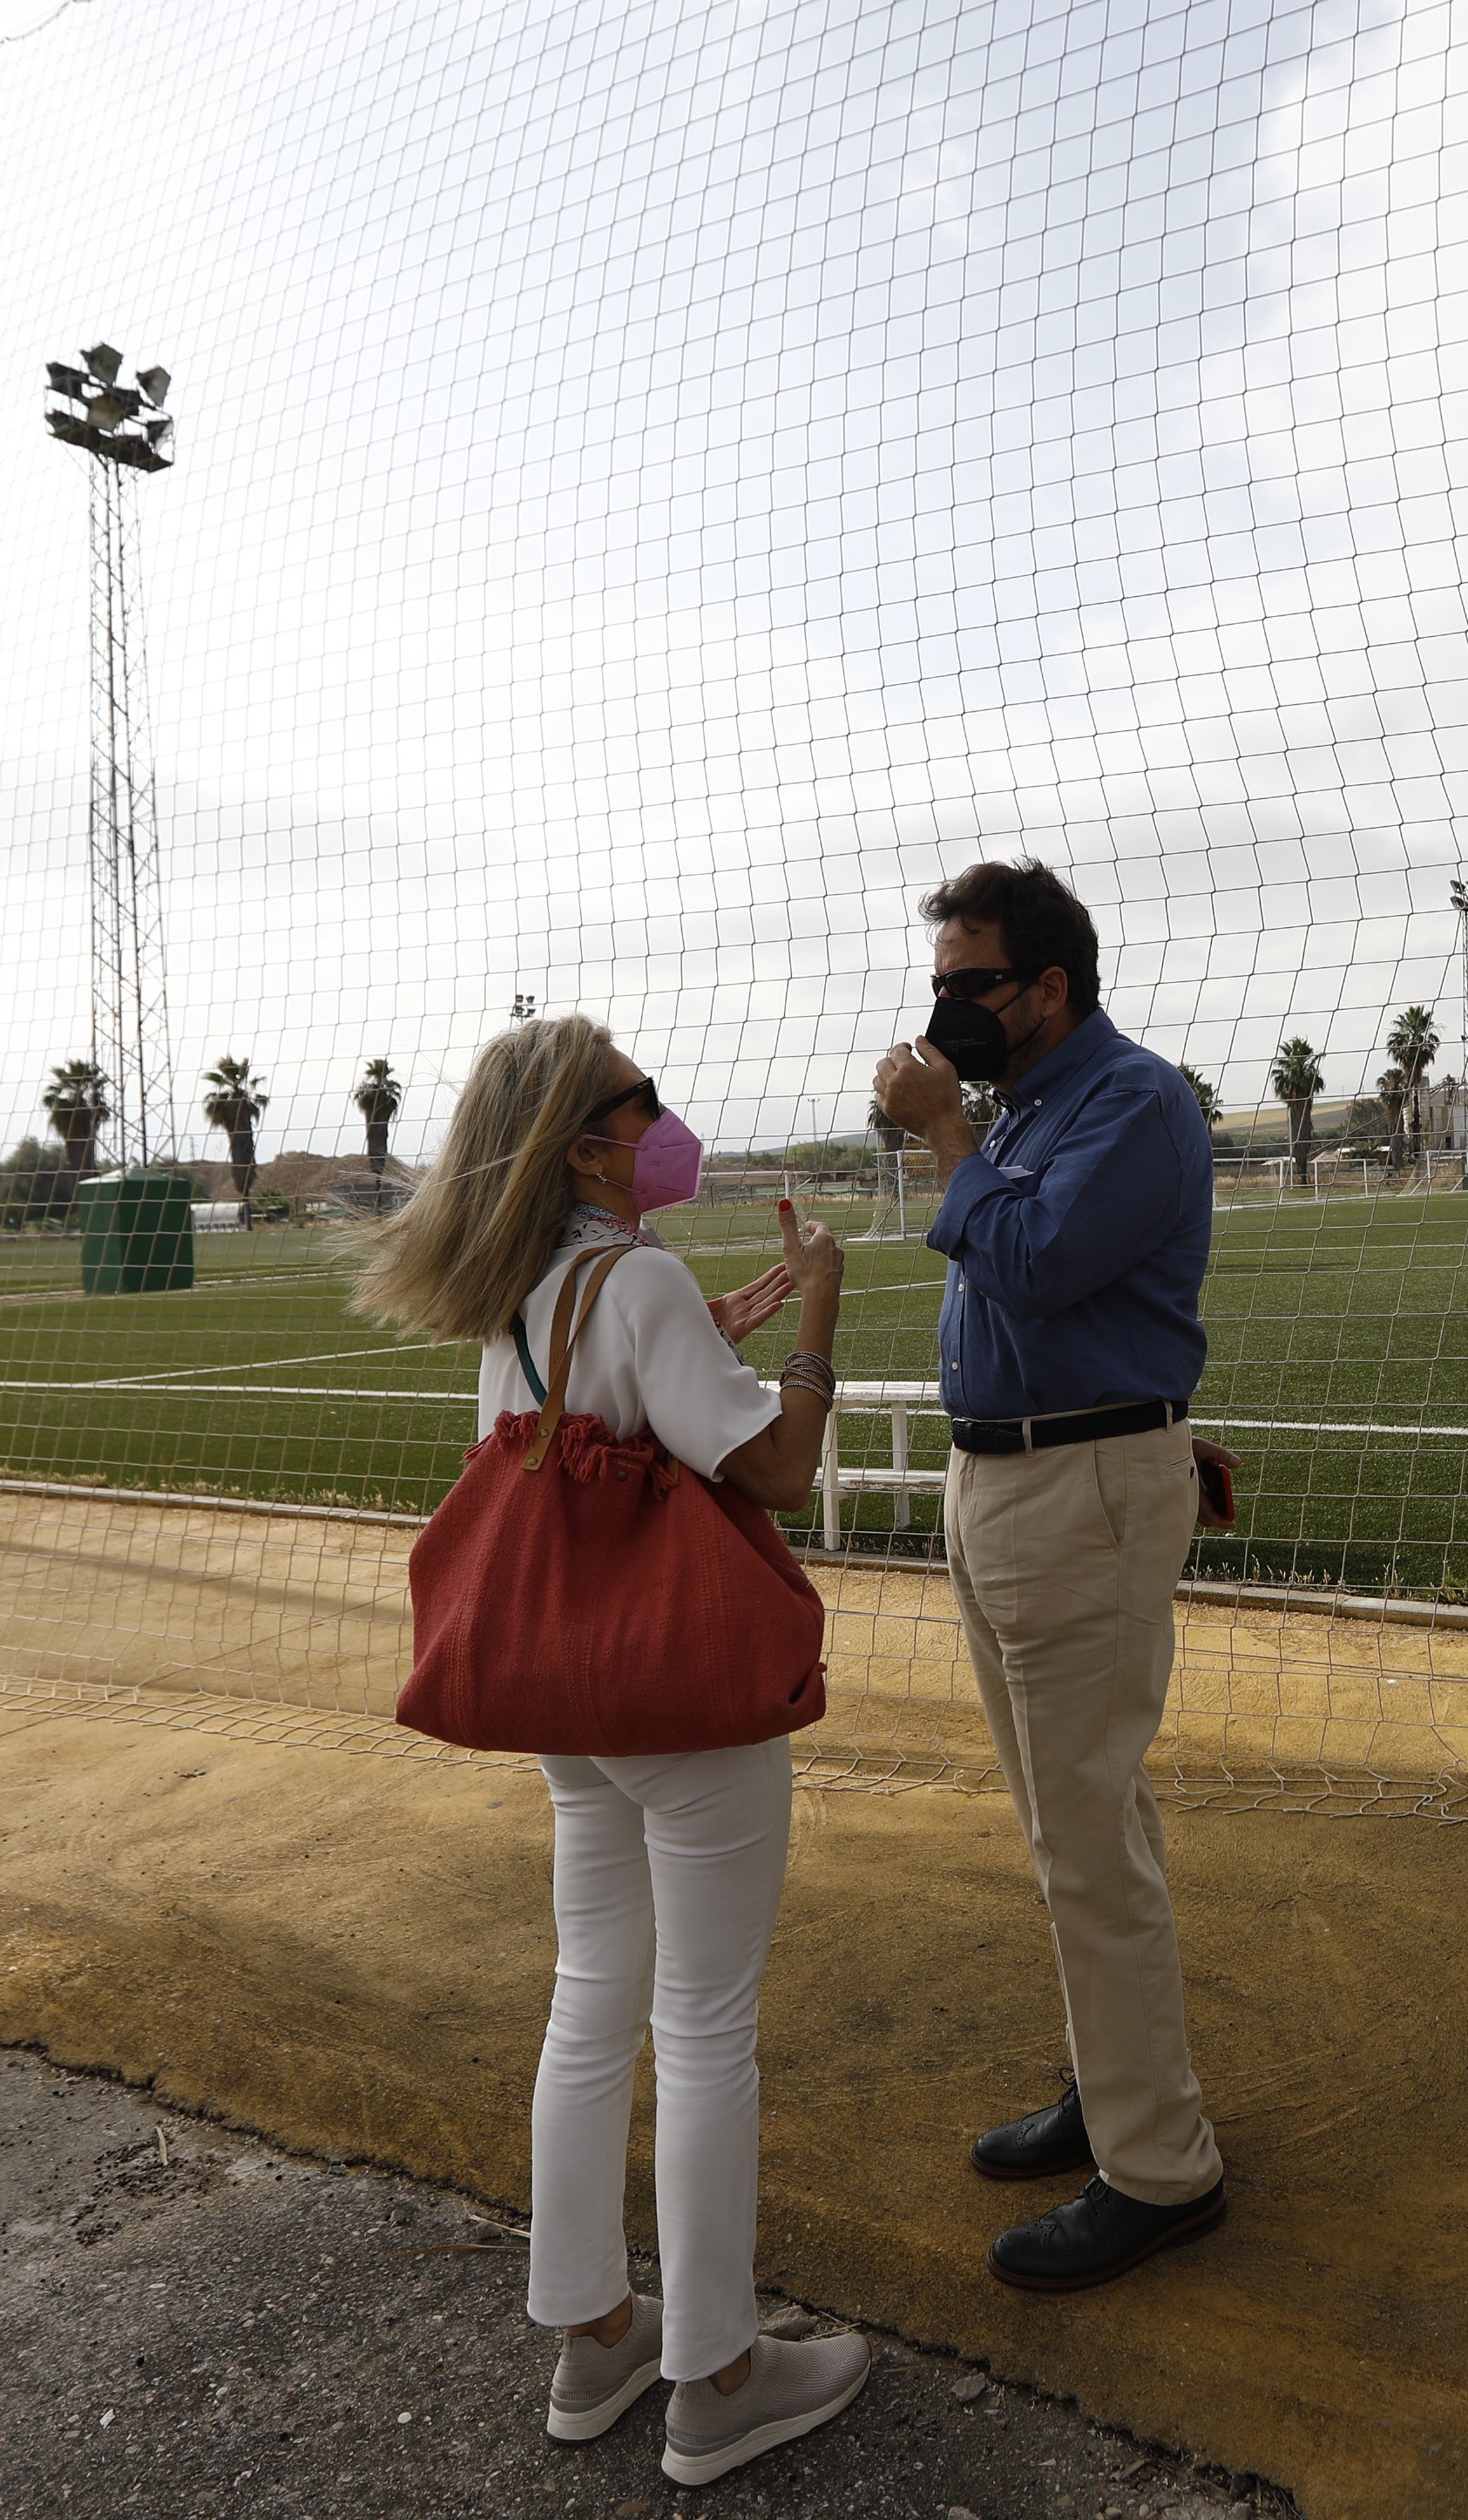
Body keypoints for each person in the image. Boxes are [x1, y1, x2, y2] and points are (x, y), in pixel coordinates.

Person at [355, 1013, 871, 2485]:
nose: (670, 1124)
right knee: (706, 2028)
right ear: (590, 1140)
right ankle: (718, 2375)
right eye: (646, 1106)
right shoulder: (634, 1277)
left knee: (593, 2005)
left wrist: (714, 1332)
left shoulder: (529, 1287)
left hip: (569, 1706)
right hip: (678, 1705)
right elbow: (772, 1467)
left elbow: (598, 1431)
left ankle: (597, 2336)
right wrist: (822, 1321)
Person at [870, 857, 1242, 2292]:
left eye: (970, 983)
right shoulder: (1033, 1110)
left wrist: (951, 1133)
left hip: (1081, 1483)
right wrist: (973, 1129)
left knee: (1088, 1838)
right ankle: (1117, 2084)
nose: (945, 1005)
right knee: (1068, 1828)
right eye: (943, 980)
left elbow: (1031, 1263)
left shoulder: (1131, 1103)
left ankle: (1162, 2170)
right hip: (1008, 1483)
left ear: (1048, 990)